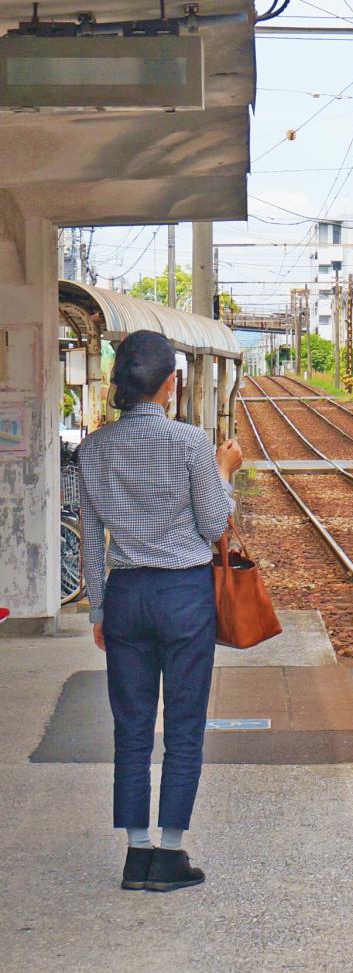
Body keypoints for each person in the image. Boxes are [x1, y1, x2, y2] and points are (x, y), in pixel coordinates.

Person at [76, 330, 243, 893]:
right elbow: (214, 525)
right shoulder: (192, 443)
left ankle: (135, 852)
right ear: (170, 384)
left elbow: (91, 540)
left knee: (131, 729)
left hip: (125, 597)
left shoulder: (94, 449)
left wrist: (98, 608)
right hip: (183, 597)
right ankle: (170, 854)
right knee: (186, 727)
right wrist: (226, 470)